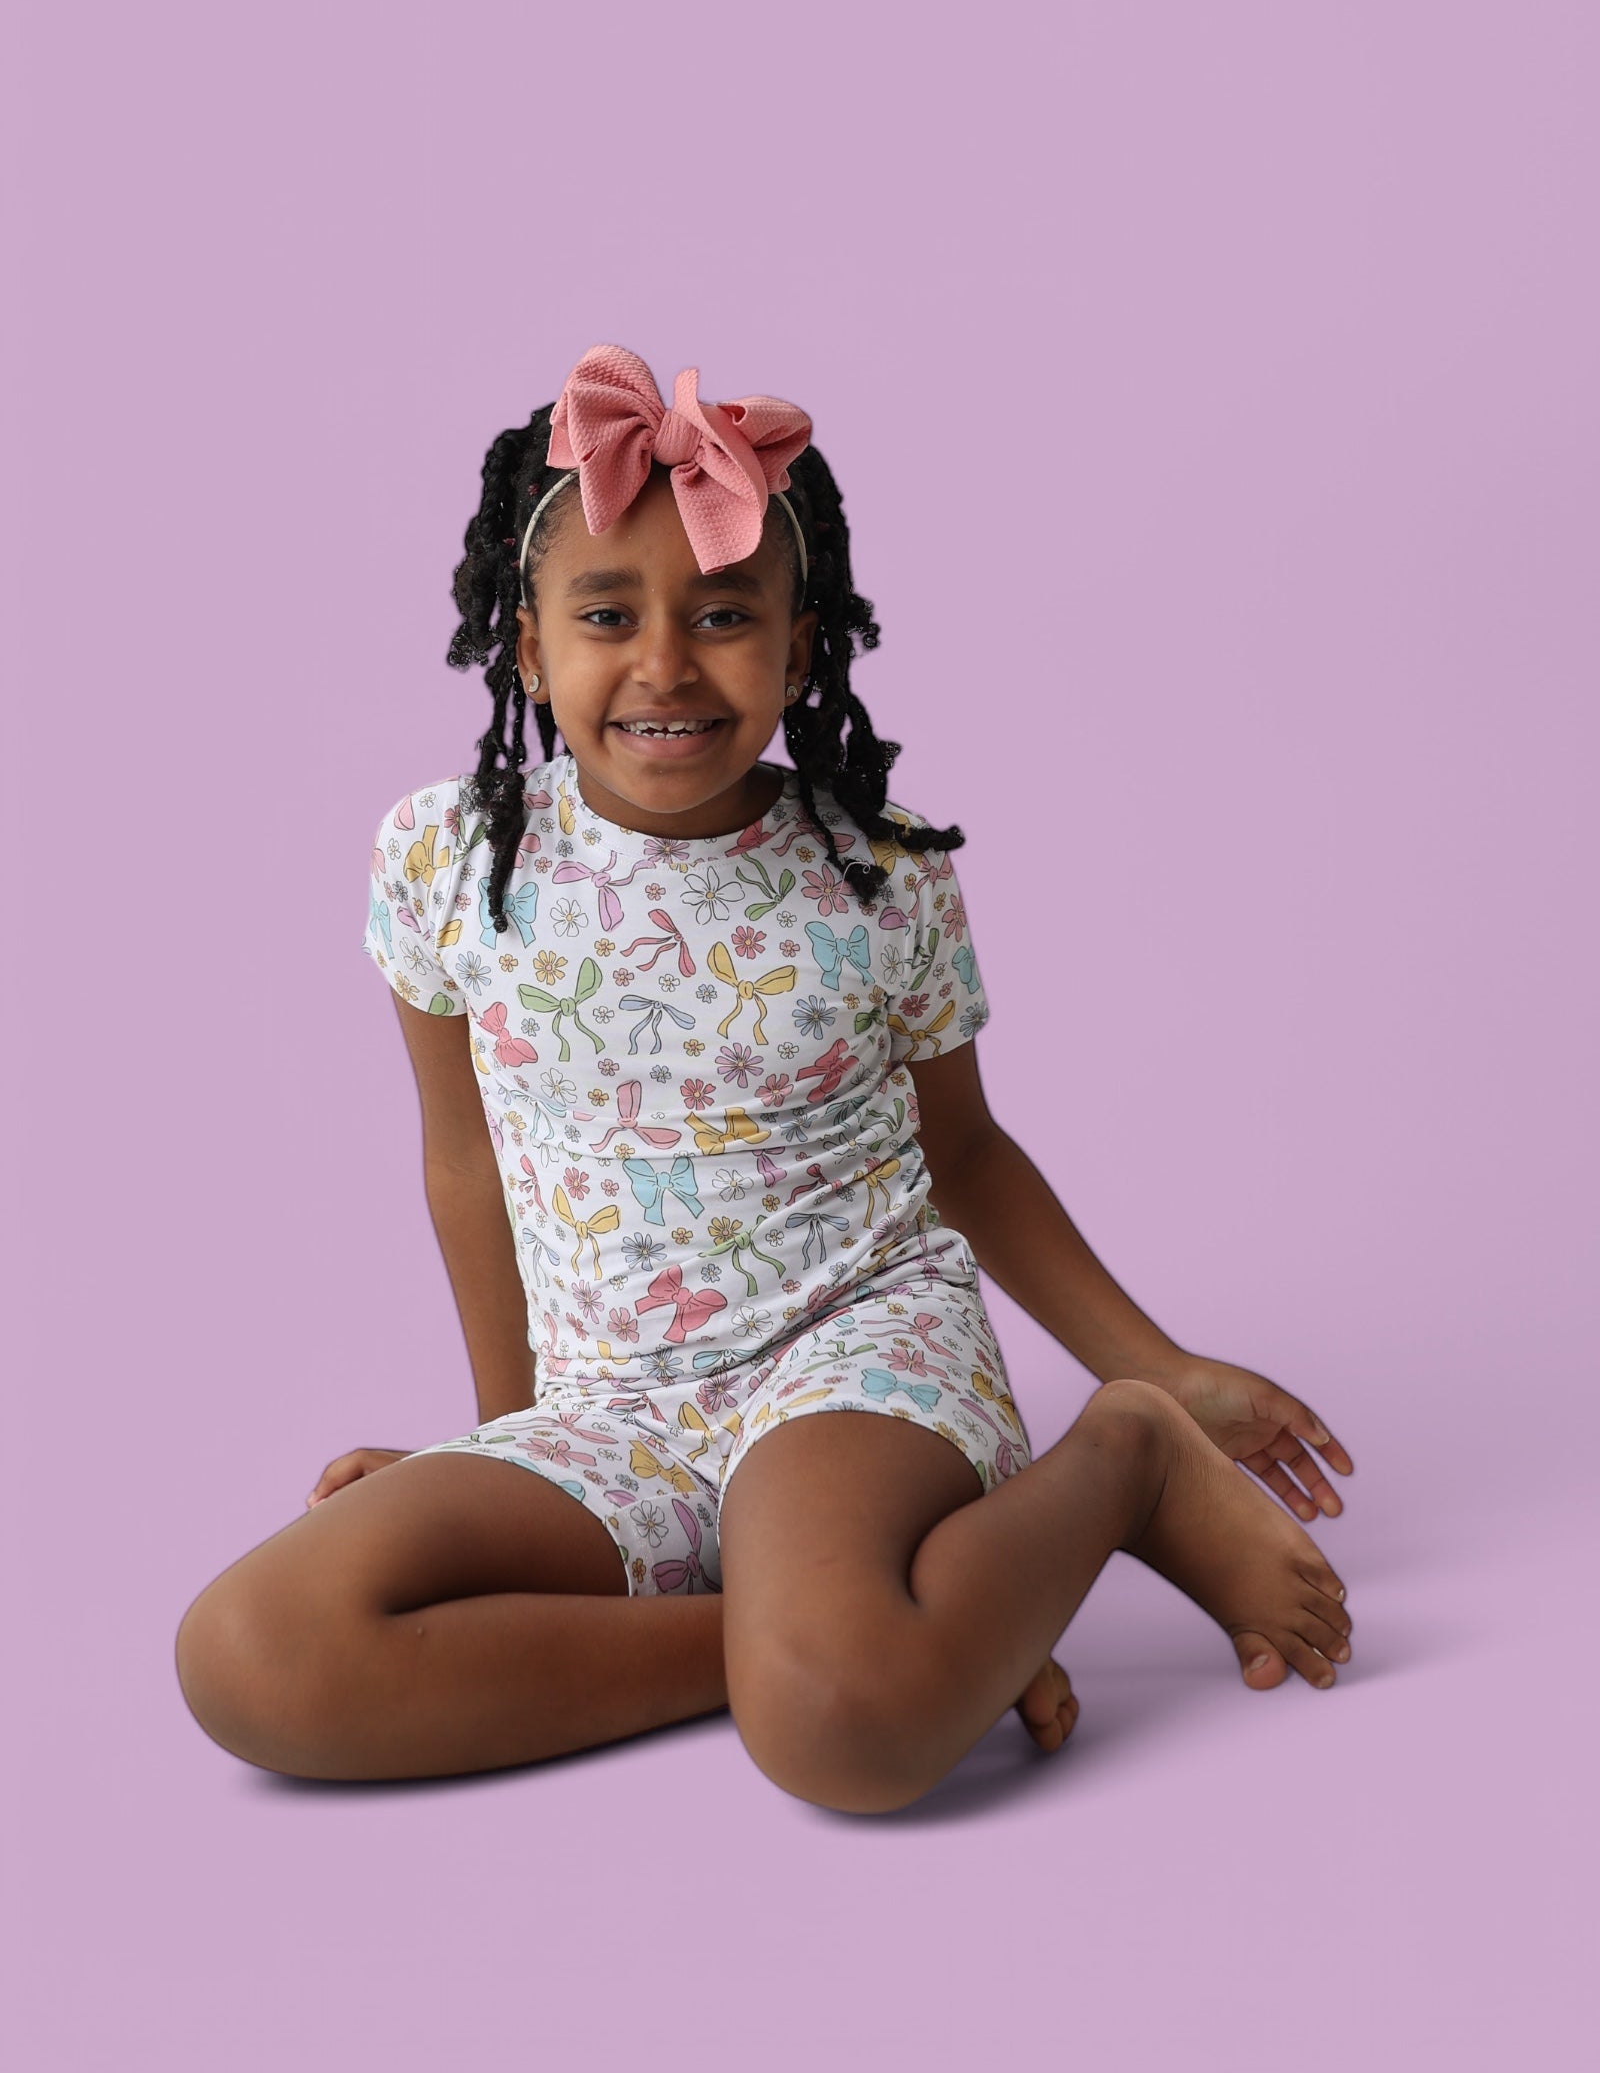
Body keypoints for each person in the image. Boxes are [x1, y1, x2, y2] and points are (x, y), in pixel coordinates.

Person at [175, 341, 1356, 1813]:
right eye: (607, 614)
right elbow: (466, 1161)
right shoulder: (449, 859)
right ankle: (898, 1634)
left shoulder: (878, 874)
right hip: (613, 1409)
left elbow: (968, 1158)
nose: (666, 663)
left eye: (725, 615)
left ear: (799, 649)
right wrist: (505, 1443)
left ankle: (1125, 1464)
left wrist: (1158, 1366)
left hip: (849, 1355)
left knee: (841, 1734)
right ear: (527, 648)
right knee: (254, 1655)